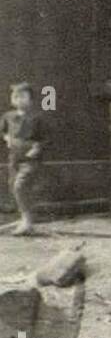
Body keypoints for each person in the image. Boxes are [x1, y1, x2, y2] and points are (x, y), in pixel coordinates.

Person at [2, 82, 45, 236]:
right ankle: (26, 220)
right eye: (15, 97)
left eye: (23, 97)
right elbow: (4, 132)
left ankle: (27, 221)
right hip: (14, 157)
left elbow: (44, 138)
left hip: (30, 159)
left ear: (30, 99)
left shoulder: (37, 117)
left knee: (20, 187)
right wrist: (8, 139)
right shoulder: (8, 116)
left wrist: (36, 149)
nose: (19, 100)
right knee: (14, 186)